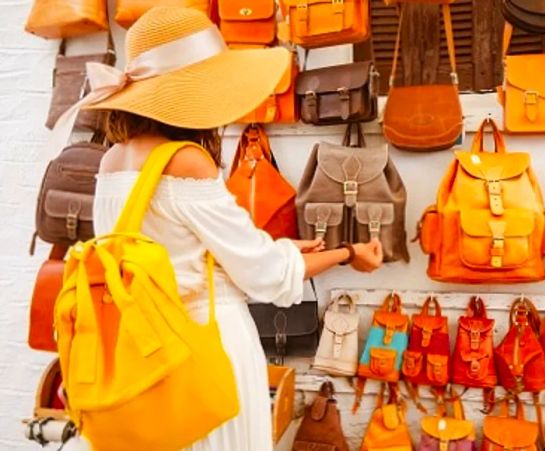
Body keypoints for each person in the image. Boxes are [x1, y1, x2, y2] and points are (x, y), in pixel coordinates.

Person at [57, 6, 383, 451]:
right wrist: (347, 251)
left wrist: (275, 245)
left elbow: (169, 252)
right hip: (203, 343)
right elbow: (265, 274)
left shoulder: (114, 158)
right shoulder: (187, 160)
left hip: (146, 348)